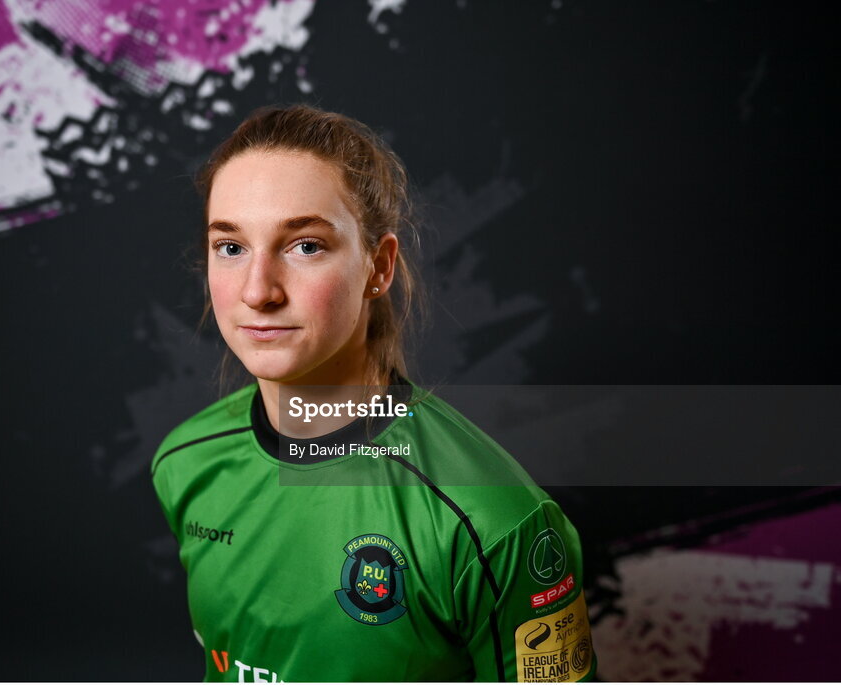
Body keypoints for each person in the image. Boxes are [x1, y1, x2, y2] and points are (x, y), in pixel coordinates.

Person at [151, 104, 596, 682]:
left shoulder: (492, 520)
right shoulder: (186, 461)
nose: (257, 291)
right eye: (231, 247)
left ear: (378, 267)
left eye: (305, 245)